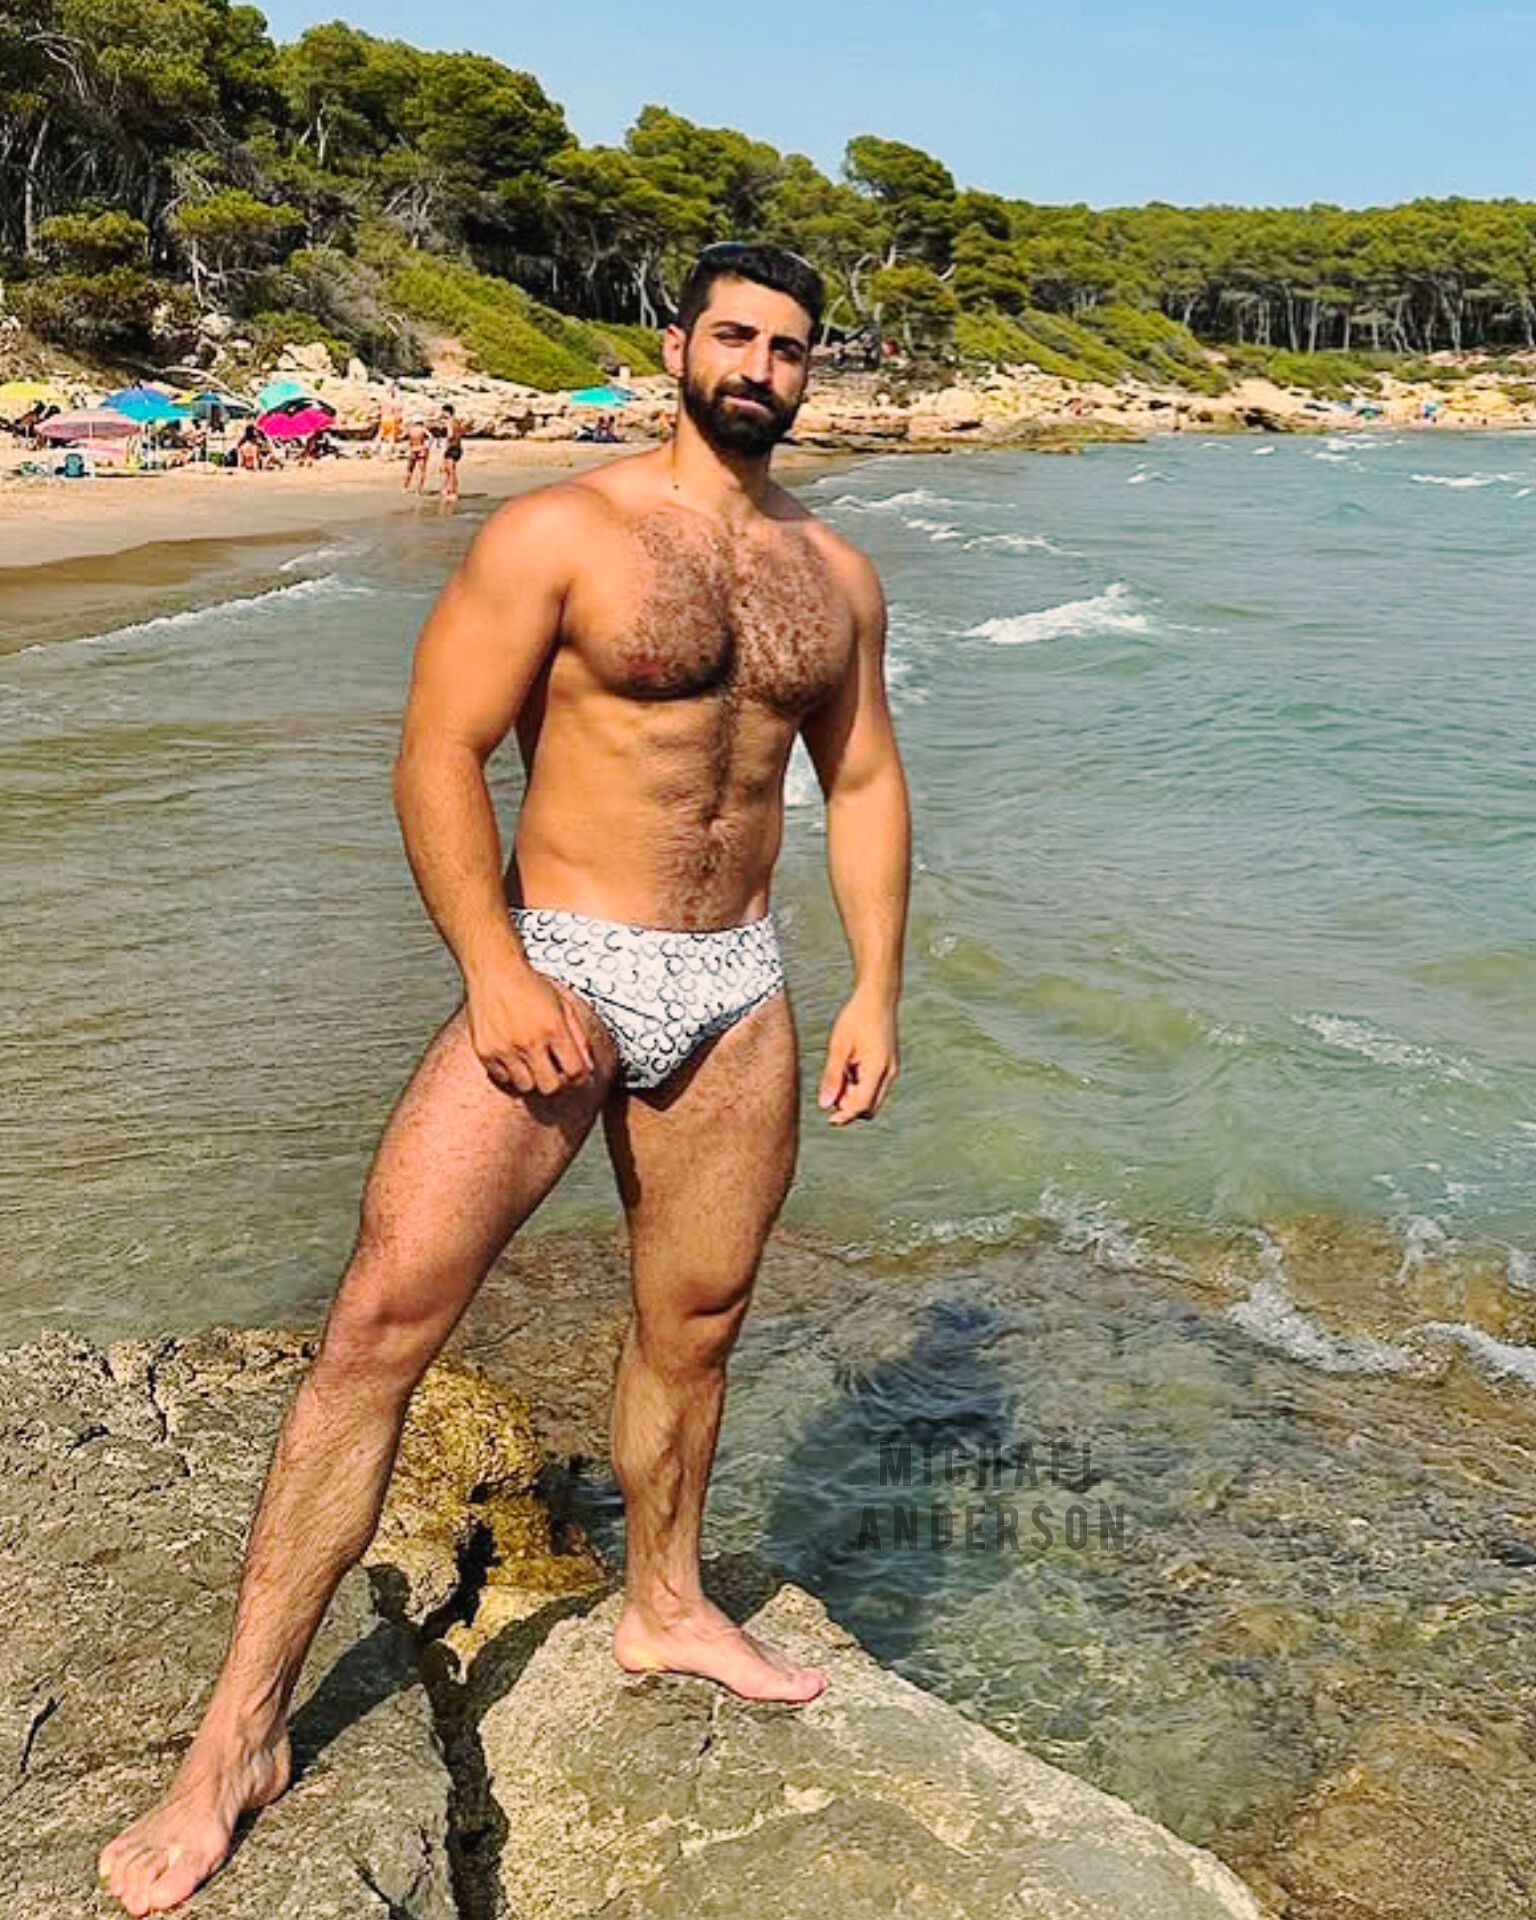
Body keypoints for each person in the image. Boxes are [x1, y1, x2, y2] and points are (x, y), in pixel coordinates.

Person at [98, 238, 911, 1917]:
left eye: (789, 348)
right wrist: (492, 968)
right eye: (735, 336)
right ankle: (237, 1738)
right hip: (562, 961)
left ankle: (664, 1604)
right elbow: (437, 751)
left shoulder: (834, 576)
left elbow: (864, 780)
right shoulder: (560, 532)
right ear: (674, 346)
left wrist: (876, 990)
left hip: (738, 987)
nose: (760, 368)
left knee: (695, 1326)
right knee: (378, 1328)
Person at [438, 402, 464, 504]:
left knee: (450, 471)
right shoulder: (456, 421)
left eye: (443, 412)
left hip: (451, 448)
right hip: (457, 447)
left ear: (447, 412)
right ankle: (448, 489)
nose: (442, 414)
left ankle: (453, 492)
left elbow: (450, 435)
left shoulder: (450, 422)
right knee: (449, 471)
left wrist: (445, 446)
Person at [403, 416, 431, 491]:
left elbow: (403, 436)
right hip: (421, 449)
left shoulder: (410, 430)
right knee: (422, 471)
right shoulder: (423, 429)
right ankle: (419, 489)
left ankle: (405, 487)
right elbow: (430, 437)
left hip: (413, 449)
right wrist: (427, 446)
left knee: (409, 470)